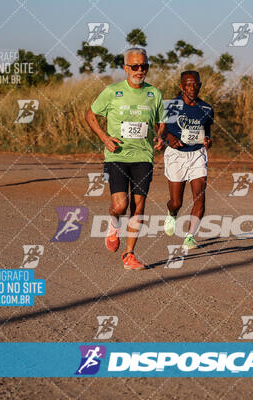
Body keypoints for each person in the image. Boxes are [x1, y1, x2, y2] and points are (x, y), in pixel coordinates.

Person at [85, 47, 166, 271]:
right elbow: (90, 115)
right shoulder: (112, 92)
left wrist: (160, 137)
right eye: (135, 66)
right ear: (126, 68)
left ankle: (129, 254)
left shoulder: (154, 94)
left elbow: (161, 122)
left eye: (144, 66)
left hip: (143, 156)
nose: (140, 71)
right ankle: (113, 225)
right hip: (117, 156)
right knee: (120, 205)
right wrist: (104, 137)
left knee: (138, 207)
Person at [162, 71, 214, 249]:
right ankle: (171, 212)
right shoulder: (172, 106)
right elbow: (160, 128)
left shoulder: (206, 108)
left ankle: (190, 237)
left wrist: (207, 140)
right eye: (188, 85)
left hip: (197, 154)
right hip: (176, 155)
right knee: (177, 201)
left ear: (200, 85)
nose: (192, 88)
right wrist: (169, 136)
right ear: (181, 87)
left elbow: (206, 131)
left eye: (195, 84)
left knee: (200, 198)